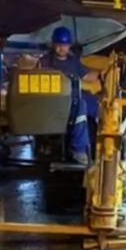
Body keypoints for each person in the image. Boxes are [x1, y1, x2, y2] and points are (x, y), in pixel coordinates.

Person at [38, 27, 99, 164]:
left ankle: (100, 144)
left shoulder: (73, 62)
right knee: (81, 105)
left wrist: (103, 73)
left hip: (73, 98)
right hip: (54, 101)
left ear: (69, 46)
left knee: (97, 103)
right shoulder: (45, 62)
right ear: (53, 44)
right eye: (58, 45)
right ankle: (78, 150)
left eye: (64, 45)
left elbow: (87, 75)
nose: (61, 48)